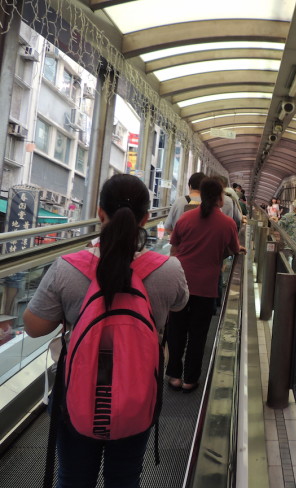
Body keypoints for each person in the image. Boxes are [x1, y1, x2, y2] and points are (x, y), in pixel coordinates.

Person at [23, 174, 189, 488]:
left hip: (75, 391)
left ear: (100, 213)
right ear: (144, 218)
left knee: (72, 479)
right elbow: (180, 304)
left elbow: (32, 327)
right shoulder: (169, 269)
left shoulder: (67, 267)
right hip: (138, 392)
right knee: (124, 479)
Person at [166, 177, 246, 393]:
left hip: (181, 283)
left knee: (176, 331)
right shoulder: (227, 224)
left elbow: (173, 249)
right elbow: (233, 248)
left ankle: (173, 374)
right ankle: (190, 379)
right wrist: (238, 250)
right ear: (220, 198)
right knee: (198, 335)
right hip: (207, 287)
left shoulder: (185, 218)